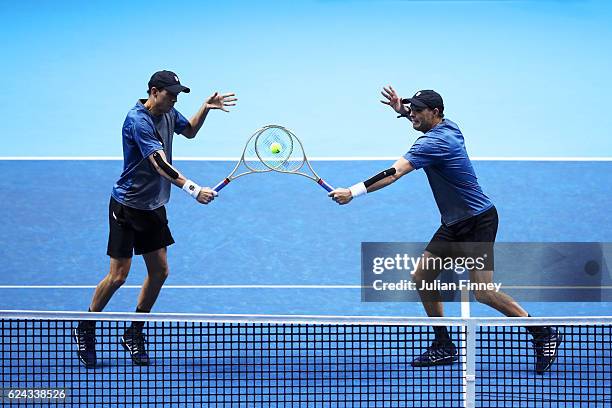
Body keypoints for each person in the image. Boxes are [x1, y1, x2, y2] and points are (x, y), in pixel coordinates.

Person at [329, 86, 562, 374]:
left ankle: (543, 332)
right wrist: (401, 108)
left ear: (435, 112)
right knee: (422, 275)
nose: (412, 113)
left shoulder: (430, 145)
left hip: (477, 222)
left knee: (483, 292)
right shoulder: (450, 126)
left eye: (417, 110)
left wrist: (352, 192)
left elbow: (394, 173)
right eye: (411, 108)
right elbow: (416, 113)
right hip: (454, 223)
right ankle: (443, 344)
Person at [73, 70, 237, 368]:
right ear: (153, 91)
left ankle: (134, 332)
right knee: (119, 276)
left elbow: (189, 131)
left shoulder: (169, 111)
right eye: (170, 94)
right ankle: (86, 326)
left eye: (177, 95)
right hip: (127, 205)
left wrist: (205, 108)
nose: (174, 99)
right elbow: (159, 164)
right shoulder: (138, 121)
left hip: (154, 206)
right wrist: (193, 189)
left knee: (159, 272)